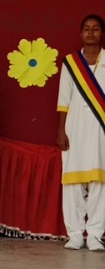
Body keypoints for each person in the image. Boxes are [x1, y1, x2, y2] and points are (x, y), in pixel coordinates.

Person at [56, 13, 105, 250]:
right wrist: (60, 130)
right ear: (80, 33)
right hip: (74, 129)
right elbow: (63, 100)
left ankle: (95, 234)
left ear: (101, 33)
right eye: (87, 28)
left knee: (100, 183)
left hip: (101, 131)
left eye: (95, 28)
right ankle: (75, 234)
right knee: (73, 184)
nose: (91, 32)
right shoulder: (70, 62)